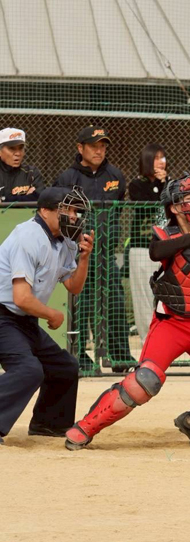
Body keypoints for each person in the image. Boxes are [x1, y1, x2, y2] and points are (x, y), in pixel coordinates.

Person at [65, 174, 190, 450]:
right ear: (174, 207)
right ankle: (85, 428)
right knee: (144, 382)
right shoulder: (165, 236)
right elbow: (156, 252)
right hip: (170, 325)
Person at [0, 187, 91, 445]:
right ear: (44, 211)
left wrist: (84, 258)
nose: (73, 216)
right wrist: (52, 313)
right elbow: (21, 298)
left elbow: (73, 286)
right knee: (29, 370)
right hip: (3, 316)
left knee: (64, 367)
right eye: (66, 209)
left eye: (75, 210)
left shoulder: (66, 241)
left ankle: (48, 424)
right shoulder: (29, 237)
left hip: (22, 320)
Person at [54, 125, 135, 373]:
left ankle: (119, 356)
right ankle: (79, 357)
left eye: (102, 146)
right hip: (77, 255)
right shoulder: (67, 178)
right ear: (80, 148)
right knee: (82, 304)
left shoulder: (115, 175)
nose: (99, 151)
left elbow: (118, 209)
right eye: (93, 146)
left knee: (115, 301)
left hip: (106, 252)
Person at [127, 143, 169, 344]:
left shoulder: (169, 184)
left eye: (163, 158)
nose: (161, 162)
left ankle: (165, 340)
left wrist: (165, 183)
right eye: (156, 158)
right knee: (143, 296)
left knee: (166, 296)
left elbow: (171, 205)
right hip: (142, 247)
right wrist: (159, 185)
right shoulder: (137, 184)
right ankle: (148, 341)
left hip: (166, 248)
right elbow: (148, 204)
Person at [0, 127, 44, 203]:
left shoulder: (31, 173)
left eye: (21, 148)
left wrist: (4, 199)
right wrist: (27, 197)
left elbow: (40, 199)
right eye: (12, 148)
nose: (18, 153)